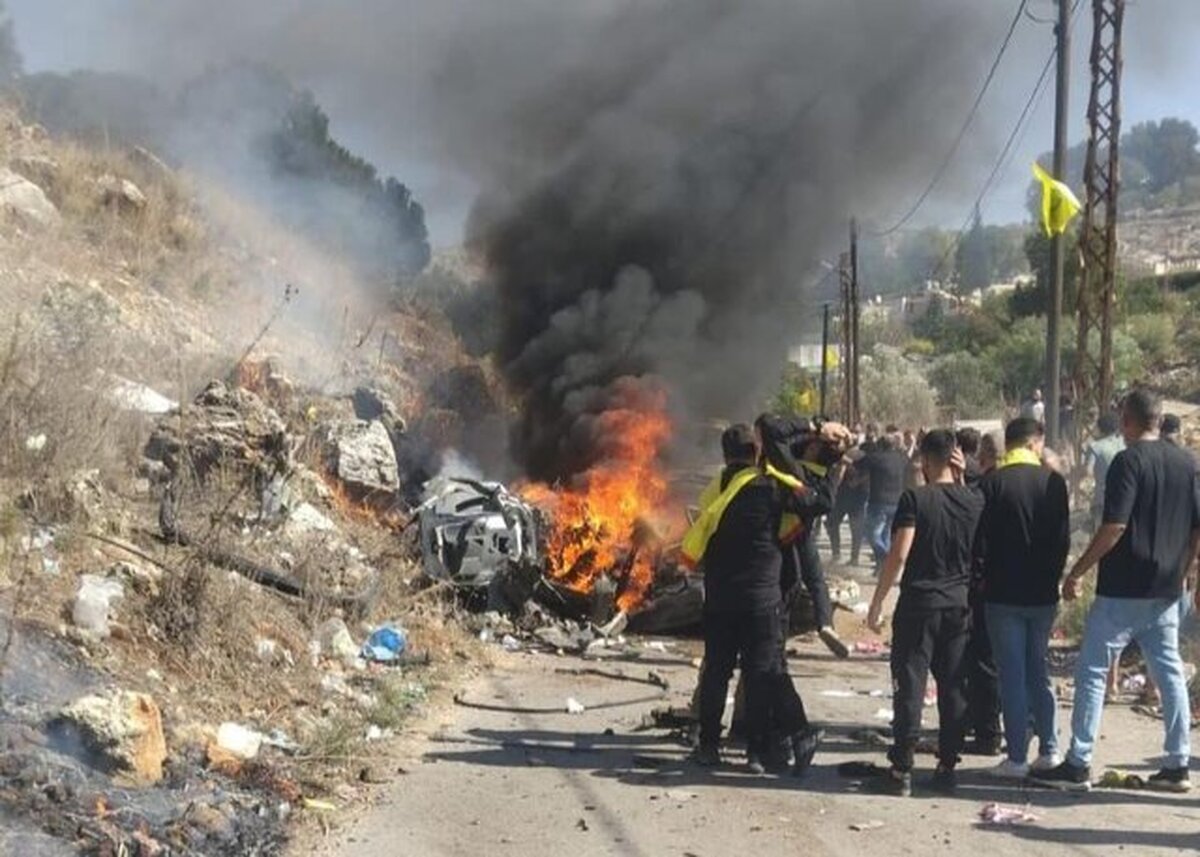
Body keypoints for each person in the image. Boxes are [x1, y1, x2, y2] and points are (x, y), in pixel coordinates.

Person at [1030, 390, 1199, 793]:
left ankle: (1078, 762)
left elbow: (1115, 526)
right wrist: (1187, 570)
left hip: (1124, 587)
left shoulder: (1128, 461)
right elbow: (1196, 528)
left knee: (1092, 670)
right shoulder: (1186, 463)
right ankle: (1177, 763)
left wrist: (1078, 570)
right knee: (1169, 671)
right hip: (1167, 587)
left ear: (1127, 420)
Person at [684, 423, 828, 775]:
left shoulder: (716, 489)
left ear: (725, 455)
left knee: (716, 671)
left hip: (720, 598)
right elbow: (813, 509)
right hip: (762, 601)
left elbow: (702, 538)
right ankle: (756, 752)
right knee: (759, 674)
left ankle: (708, 746)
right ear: (757, 452)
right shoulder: (774, 488)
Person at [867, 430, 984, 796]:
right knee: (953, 687)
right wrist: (965, 478)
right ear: (955, 459)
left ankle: (901, 768)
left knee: (910, 684)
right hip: (958, 606)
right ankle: (947, 765)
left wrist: (877, 602)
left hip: (919, 605)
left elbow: (899, 553)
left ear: (926, 461)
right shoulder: (974, 500)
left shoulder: (915, 499)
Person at [975, 418, 1070, 779]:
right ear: (1035, 443)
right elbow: (1062, 541)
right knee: (1038, 671)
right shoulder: (1054, 483)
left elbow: (980, 542)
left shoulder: (992, 483)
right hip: (1042, 595)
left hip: (1002, 595)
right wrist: (1054, 578)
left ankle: (1016, 757)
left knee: (1011, 676)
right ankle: (1049, 750)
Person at [957, 427, 1000, 756]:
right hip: (1014, 586)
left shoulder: (988, 486)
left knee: (981, 658)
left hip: (983, 584)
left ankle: (986, 731)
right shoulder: (1042, 481)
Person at [859, 434, 910, 574]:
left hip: (878, 502)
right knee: (885, 535)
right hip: (896, 502)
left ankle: (887, 557)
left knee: (871, 534)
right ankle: (882, 569)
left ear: (880, 445)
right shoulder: (902, 458)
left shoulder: (876, 458)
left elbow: (860, 464)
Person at [1082, 413, 1125, 530]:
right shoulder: (1125, 443)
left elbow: (1088, 472)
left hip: (1102, 497)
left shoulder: (1095, 447)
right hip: (1125, 496)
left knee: (1100, 531)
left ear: (1100, 429)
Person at [826, 456, 867, 568]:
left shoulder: (864, 457)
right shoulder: (839, 458)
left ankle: (854, 558)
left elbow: (869, 474)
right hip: (841, 498)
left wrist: (857, 480)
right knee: (832, 524)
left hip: (856, 499)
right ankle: (836, 554)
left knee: (856, 529)